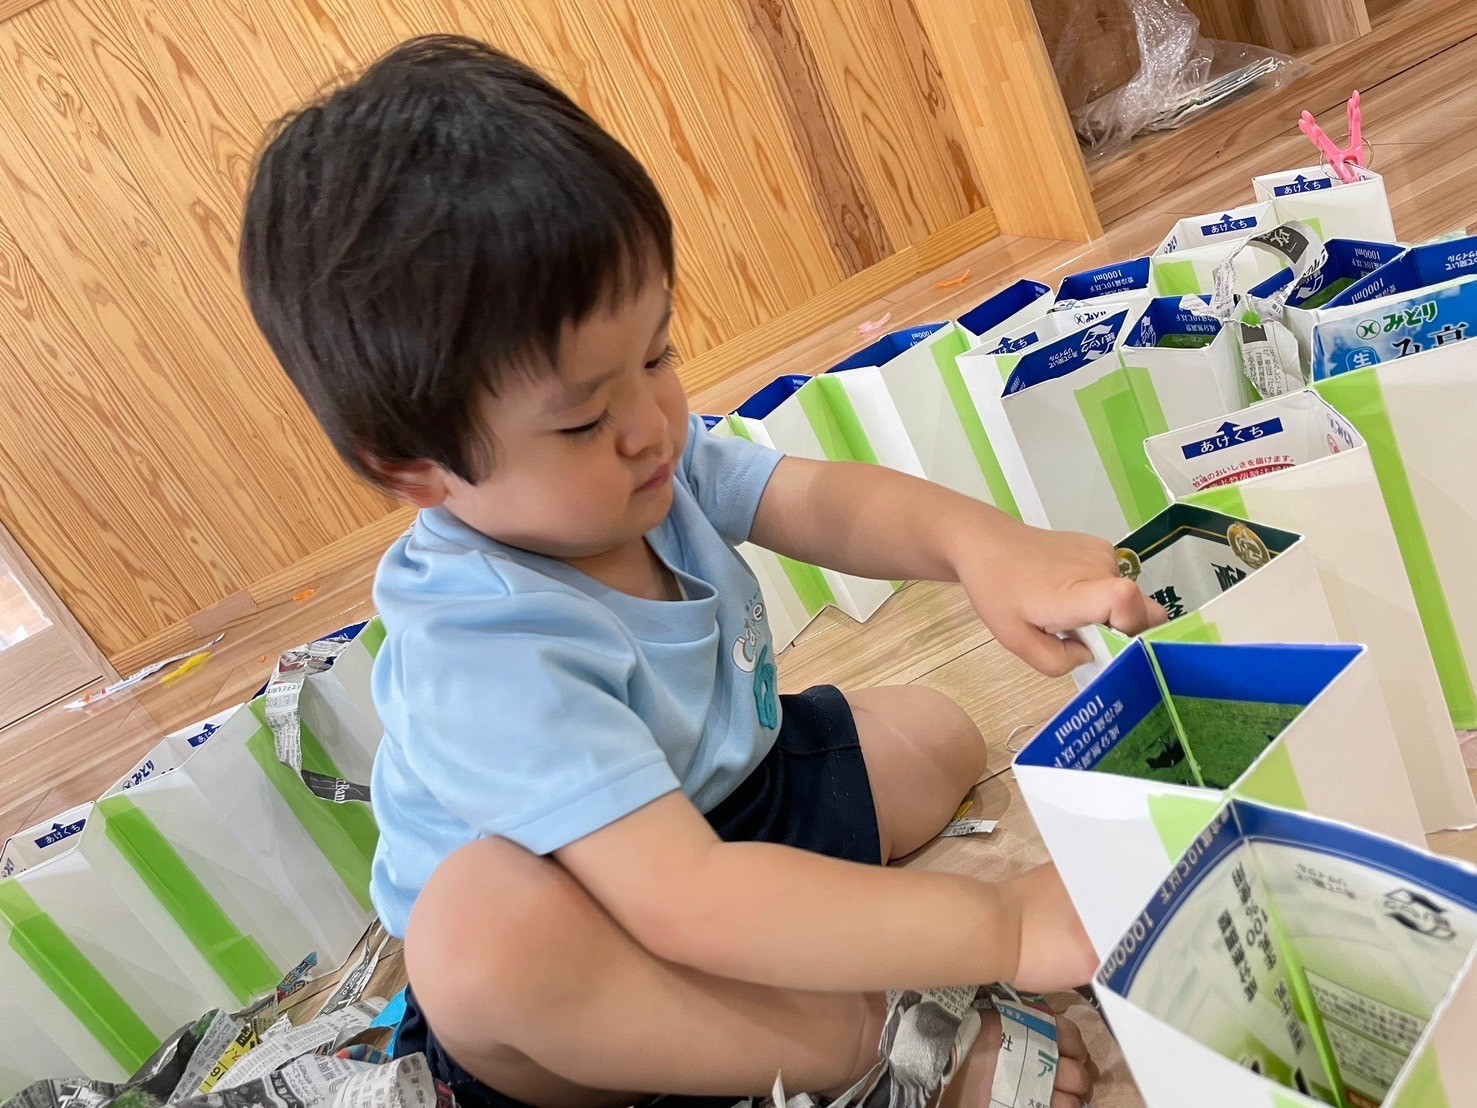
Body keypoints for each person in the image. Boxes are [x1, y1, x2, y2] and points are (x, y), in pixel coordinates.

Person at [240, 34, 1164, 1108]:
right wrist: (999, 924)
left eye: (658, 354)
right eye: (582, 419)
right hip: (596, 940)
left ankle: (800, 965)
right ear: (413, 469)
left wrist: (980, 546)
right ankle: (852, 1042)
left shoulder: (637, 462)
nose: (650, 424)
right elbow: (687, 900)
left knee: (937, 735)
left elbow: (820, 502)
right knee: (478, 938)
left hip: (726, 811)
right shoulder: (480, 654)